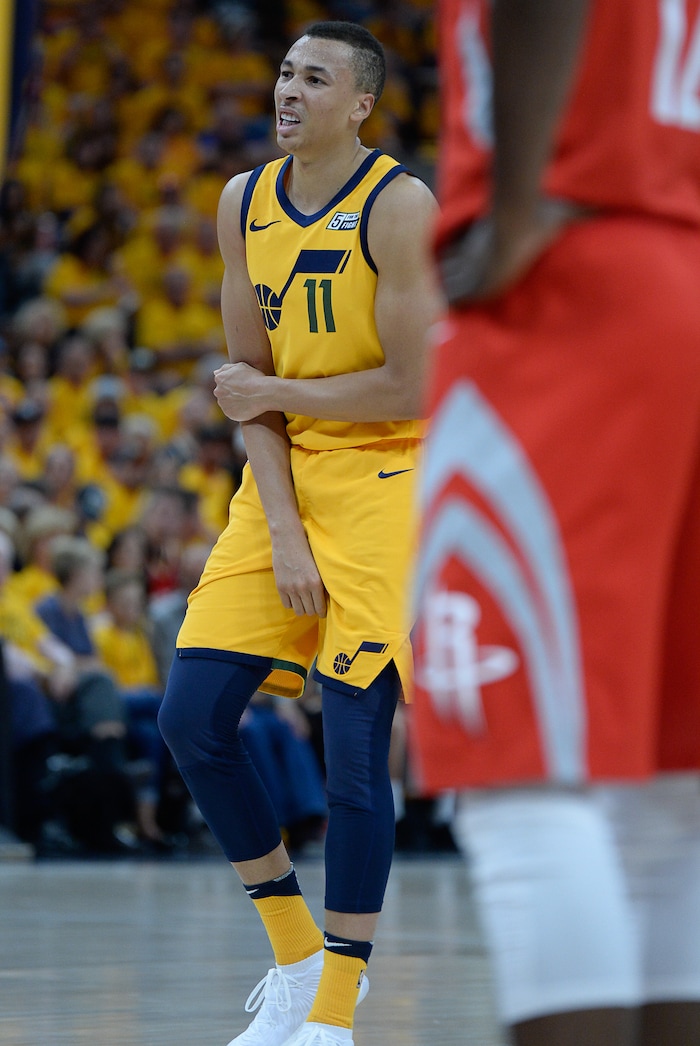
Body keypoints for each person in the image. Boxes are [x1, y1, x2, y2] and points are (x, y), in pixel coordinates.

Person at [410, 3, 700, 1046]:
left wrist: (521, 203)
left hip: (574, 274)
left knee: (514, 765)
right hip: (677, 263)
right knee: (669, 793)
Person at [158, 19, 438, 1046]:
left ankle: (332, 1015)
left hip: (386, 476)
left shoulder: (400, 205)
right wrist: (280, 529)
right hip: (283, 478)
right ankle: (294, 953)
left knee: (355, 758)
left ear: (360, 103)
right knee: (191, 719)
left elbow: (411, 381)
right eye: (283, 72)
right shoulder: (241, 203)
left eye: (313, 79)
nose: (287, 90)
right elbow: (247, 405)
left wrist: (269, 388)